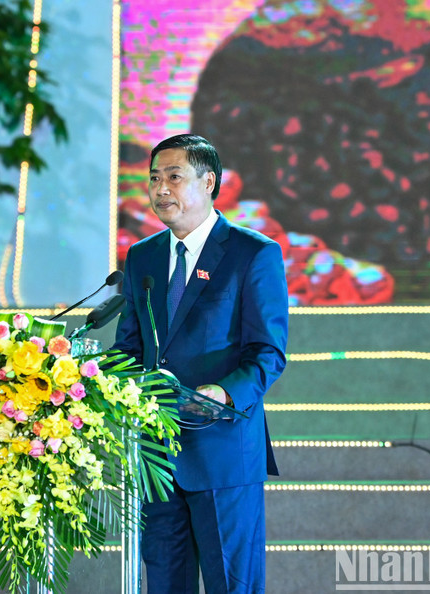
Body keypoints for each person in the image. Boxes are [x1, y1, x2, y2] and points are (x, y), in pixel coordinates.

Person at [113, 134, 289, 594]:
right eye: (153, 178)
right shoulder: (143, 257)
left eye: (174, 176)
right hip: (155, 455)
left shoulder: (253, 254)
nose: (160, 189)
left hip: (222, 452)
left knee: (232, 585)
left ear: (209, 182)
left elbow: (268, 352)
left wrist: (225, 393)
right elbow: (129, 349)